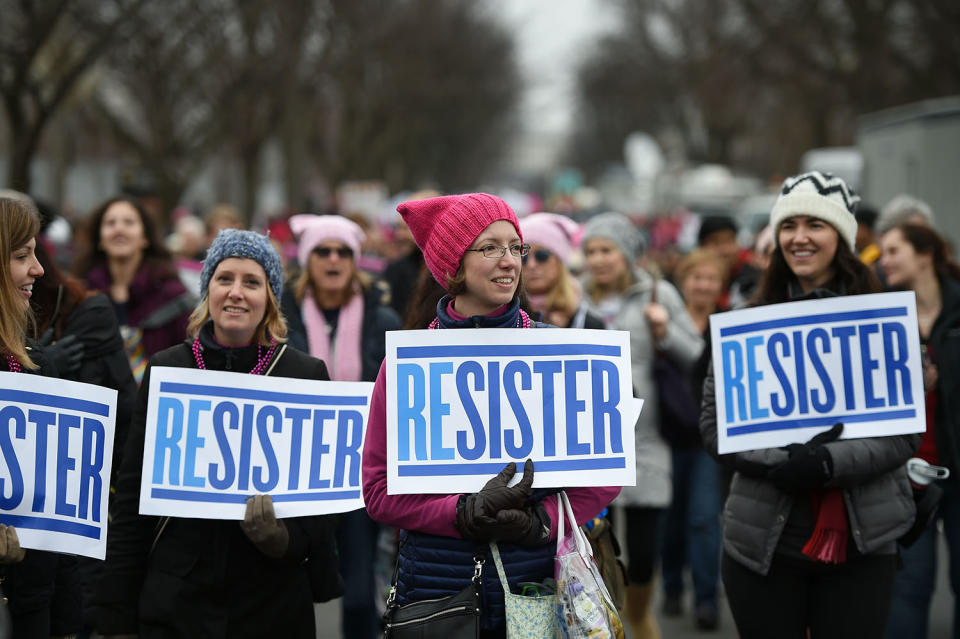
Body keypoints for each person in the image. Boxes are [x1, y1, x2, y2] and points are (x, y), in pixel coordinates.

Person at [361, 193, 620, 635]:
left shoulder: (559, 350)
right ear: (453, 266)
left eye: (515, 247)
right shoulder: (407, 363)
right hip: (436, 591)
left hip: (538, 585)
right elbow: (379, 491)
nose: (510, 261)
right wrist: (461, 511)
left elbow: (604, 474)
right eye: (490, 248)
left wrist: (542, 523)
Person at [701, 171, 919, 639]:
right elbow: (715, 425)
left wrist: (824, 463)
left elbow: (903, 432)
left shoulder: (885, 319)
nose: (799, 237)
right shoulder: (745, 323)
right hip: (761, 546)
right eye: (788, 225)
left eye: (815, 225)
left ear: (841, 236)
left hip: (862, 547)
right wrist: (780, 461)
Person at [95, 229, 338, 638]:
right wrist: (116, 616)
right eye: (224, 279)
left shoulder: (305, 375)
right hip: (178, 599)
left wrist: (282, 538)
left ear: (271, 298)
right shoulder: (168, 369)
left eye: (252, 282)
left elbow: (323, 511)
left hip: (271, 602)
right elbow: (132, 497)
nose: (236, 293)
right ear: (207, 289)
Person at [580, 211, 703, 639]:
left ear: (628, 253)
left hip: (647, 441)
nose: (597, 259)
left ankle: (640, 618)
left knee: (646, 551)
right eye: (591, 250)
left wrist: (666, 332)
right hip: (592, 443)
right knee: (596, 549)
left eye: (606, 250)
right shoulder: (577, 298)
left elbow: (697, 354)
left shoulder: (658, 293)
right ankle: (605, 622)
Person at [282, 214, 402, 639]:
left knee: (358, 586)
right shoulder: (281, 317)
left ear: (355, 260)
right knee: (288, 582)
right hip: (296, 468)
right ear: (306, 258)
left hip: (359, 470)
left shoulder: (382, 318)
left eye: (342, 252)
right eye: (322, 251)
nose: (332, 260)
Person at [0, 196, 83, 638]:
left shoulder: (39, 364)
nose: (39, 270)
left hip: (34, 607)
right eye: (21, 256)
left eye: (36, 253)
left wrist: (68, 623)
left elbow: (58, 509)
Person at [880, 223, 960, 639]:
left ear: (925, 255)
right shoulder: (880, 316)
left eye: (894, 250)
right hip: (907, 477)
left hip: (958, 473)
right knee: (909, 588)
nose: (884, 259)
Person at [660, 249, 727, 630]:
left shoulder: (726, 324)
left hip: (708, 437)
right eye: (696, 277)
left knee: (703, 517)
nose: (702, 285)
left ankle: (706, 596)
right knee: (672, 517)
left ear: (720, 286)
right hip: (670, 433)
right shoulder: (663, 321)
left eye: (710, 279)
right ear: (683, 282)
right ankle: (671, 586)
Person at [76, 196, 195, 384]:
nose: (119, 229)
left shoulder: (173, 296)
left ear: (145, 238)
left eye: (129, 222)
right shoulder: (81, 295)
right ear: (100, 239)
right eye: (110, 223)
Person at [518, 212, 604, 329]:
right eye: (523, 257)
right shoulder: (503, 318)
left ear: (560, 262)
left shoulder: (588, 323)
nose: (532, 265)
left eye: (542, 255)